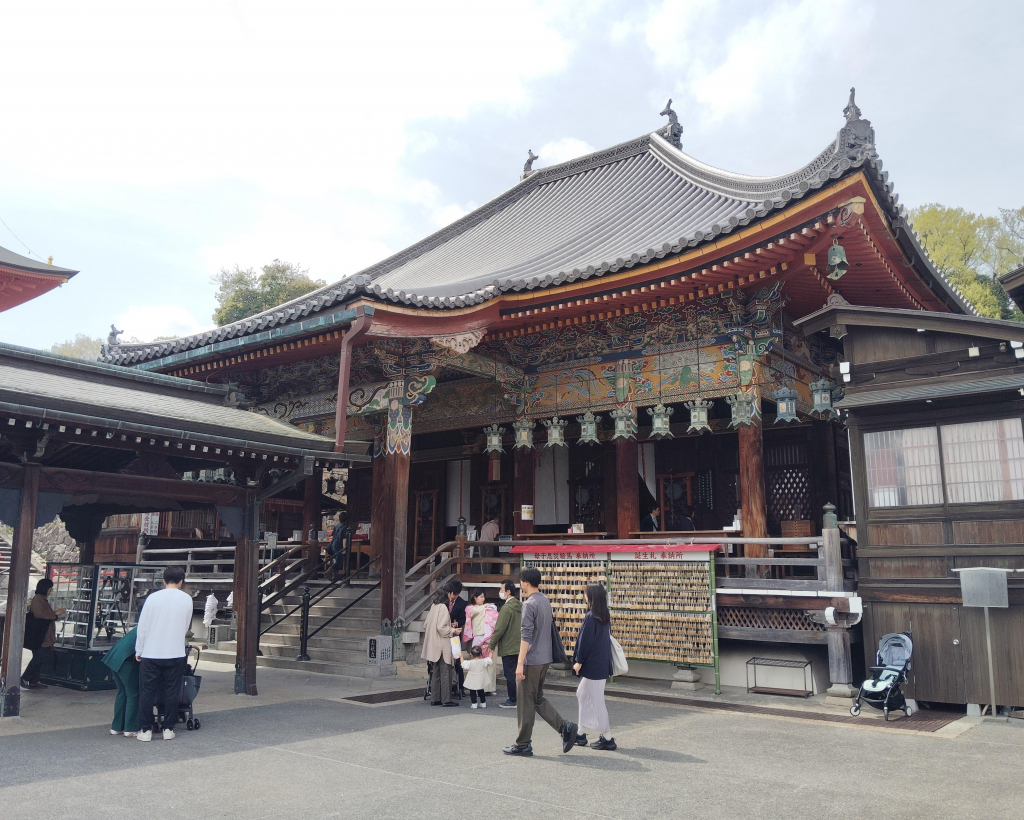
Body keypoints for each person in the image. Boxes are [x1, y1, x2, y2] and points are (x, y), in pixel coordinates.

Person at [503, 566, 577, 757]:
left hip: (531, 659)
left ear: (526, 583)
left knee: (525, 702)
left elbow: (526, 635)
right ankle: (564, 727)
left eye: (521, 581)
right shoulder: (544, 601)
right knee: (537, 699)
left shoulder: (528, 604)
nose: (520, 584)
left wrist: (520, 663)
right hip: (545, 658)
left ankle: (523, 744)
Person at [135, 565, 193, 741]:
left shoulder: (152, 598)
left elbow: (142, 627)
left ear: (163, 580)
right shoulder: (187, 599)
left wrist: (139, 649)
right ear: (182, 581)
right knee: (172, 691)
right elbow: (185, 627)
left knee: (147, 692)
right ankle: (168, 728)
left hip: (151, 652)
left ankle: (146, 730)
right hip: (175, 652)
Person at [572, 583, 616, 751]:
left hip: (593, 666)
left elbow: (585, 642)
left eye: (586, 594)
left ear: (591, 597)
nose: (584, 596)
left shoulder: (592, 616)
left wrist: (579, 661)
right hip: (600, 664)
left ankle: (608, 737)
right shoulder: (603, 615)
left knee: (597, 702)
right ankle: (582, 733)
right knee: (582, 694)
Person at [22, 578, 65, 690]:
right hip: (40, 635)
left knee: (40, 658)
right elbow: (39, 614)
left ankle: (34, 681)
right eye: (50, 588)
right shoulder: (38, 599)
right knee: (38, 657)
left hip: (45, 634)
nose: (51, 591)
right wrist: (55, 613)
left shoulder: (43, 599)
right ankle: (25, 677)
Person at [422, 588, 461, 706]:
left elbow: (425, 625)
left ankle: (435, 698)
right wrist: (454, 630)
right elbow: (442, 627)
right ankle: (446, 699)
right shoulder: (443, 608)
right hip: (442, 646)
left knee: (436, 673)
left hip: (433, 645)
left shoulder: (434, 606)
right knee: (446, 673)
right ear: (448, 595)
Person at [488, 579, 522, 708]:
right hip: (520, 645)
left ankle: (513, 699)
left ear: (508, 592)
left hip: (508, 645)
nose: (500, 592)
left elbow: (499, 628)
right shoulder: (520, 606)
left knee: (510, 674)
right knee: (519, 673)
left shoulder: (506, 608)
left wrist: (492, 644)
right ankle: (521, 698)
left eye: (501, 589)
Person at [103, 627, 140, 737]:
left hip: (114, 657)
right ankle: (131, 728)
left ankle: (116, 727)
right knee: (133, 693)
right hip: (127, 661)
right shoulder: (153, 628)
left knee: (122, 692)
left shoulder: (141, 625)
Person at [464, 588, 498, 694]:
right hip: (479, 637)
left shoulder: (486, 607)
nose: (483, 599)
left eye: (484, 597)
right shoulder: (470, 608)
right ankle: (479, 687)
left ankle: (490, 688)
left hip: (489, 637)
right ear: (475, 597)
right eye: (481, 597)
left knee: (490, 664)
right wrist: (486, 606)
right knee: (479, 664)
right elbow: (476, 611)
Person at [444, 579, 467, 697]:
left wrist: (457, 623)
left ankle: (460, 686)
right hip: (444, 634)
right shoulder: (444, 601)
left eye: (456, 594)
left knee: (457, 659)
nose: (454, 596)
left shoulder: (462, 603)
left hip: (455, 634)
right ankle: (448, 685)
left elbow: (464, 619)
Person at [326, 511, 352, 579]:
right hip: (339, 545)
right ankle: (329, 571)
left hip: (334, 544)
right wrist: (344, 548)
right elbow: (344, 538)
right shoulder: (344, 527)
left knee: (336, 559)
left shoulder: (337, 526)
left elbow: (333, 536)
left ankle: (335, 576)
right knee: (338, 561)